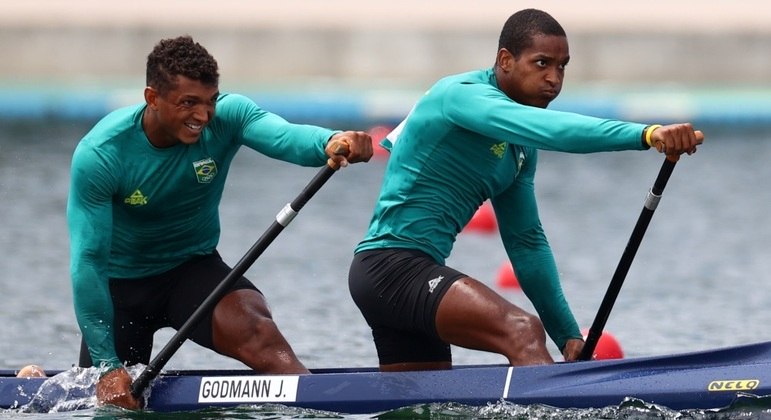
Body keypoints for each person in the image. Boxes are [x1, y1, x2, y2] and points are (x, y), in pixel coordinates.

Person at [348, 8, 703, 372]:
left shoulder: (518, 150)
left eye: (562, 66)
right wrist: (646, 135)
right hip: (390, 268)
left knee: (421, 406)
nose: (554, 78)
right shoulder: (461, 96)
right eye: (542, 63)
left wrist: (566, 334)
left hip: (414, 275)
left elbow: (526, 242)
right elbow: (551, 129)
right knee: (522, 330)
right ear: (505, 60)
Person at [67, 35, 373, 409]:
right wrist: (106, 367)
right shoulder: (102, 154)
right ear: (152, 98)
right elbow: (88, 264)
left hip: (191, 271)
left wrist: (331, 141)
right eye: (188, 103)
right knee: (109, 405)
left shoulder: (229, 117)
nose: (203, 116)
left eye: (210, 101)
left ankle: (319, 410)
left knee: (262, 335)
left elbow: (285, 135)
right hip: (121, 291)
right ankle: (42, 378)